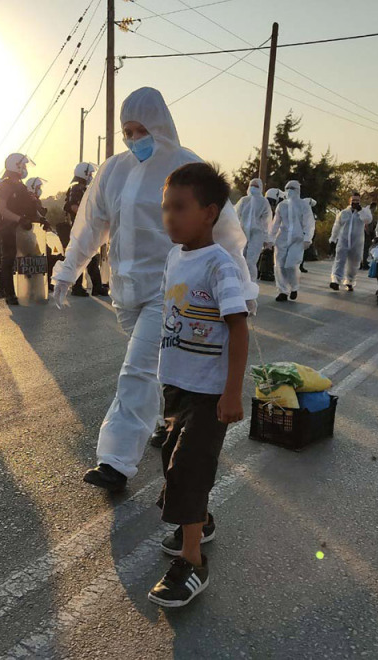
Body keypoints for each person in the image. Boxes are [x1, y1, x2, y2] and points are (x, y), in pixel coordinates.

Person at [51, 87, 256, 492]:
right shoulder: (113, 170)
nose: (134, 138)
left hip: (173, 290)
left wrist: (241, 287)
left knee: (137, 369)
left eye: (141, 129)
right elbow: (92, 225)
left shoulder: (187, 167)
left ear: (160, 125)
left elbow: (226, 232)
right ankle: (175, 421)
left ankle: (115, 460)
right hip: (124, 291)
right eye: (127, 131)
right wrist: (67, 270)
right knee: (163, 367)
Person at [148, 162, 248, 608]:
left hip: (209, 392)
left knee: (188, 469)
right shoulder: (175, 256)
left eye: (179, 208)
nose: (169, 216)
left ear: (209, 213)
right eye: (165, 207)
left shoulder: (220, 266)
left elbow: (239, 329)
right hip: (177, 385)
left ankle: (193, 562)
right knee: (172, 459)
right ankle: (200, 520)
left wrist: (231, 392)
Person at [0, 153, 39, 306]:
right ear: (15, 166)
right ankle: (9, 293)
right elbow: (1, 209)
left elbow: (29, 206)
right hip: (9, 228)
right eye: (23, 166)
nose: (25, 168)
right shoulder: (3, 186)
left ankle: (31, 290)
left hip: (24, 229)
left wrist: (39, 217)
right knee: (8, 259)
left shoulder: (21, 186)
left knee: (31, 258)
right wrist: (19, 219)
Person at [62, 163, 107, 297]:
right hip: (81, 228)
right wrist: (87, 217)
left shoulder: (81, 188)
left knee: (89, 256)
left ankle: (93, 286)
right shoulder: (76, 188)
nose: (91, 176)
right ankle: (82, 287)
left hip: (84, 227)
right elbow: (72, 206)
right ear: (84, 173)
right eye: (90, 174)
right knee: (85, 257)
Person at [268, 180, 314, 302]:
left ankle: (294, 287)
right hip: (282, 239)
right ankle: (282, 291)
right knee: (279, 266)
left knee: (291, 265)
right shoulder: (281, 206)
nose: (289, 191)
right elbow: (275, 224)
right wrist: (270, 239)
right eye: (287, 188)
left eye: (292, 188)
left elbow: (309, 223)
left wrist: (307, 238)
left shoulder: (304, 205)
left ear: (298, 190)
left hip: (297, 240)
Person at [329, 192, 371, 291]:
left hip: (357, 242)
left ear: (360, 201)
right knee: (339, 260)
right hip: (343, 240)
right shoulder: (343, 213)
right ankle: (335, 280)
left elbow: (368, 220)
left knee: (354, 263)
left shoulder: (364, 212)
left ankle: (350, 281)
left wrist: (360, 211)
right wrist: (333, 239)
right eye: (353, 201)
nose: (355, 203)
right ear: (349, 201)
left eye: (357, 201)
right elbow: (336, 226)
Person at [234, 178, 271, 283]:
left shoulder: (264, 202)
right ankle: (240, 284)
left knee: (251, 262)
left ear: (261, 188)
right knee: (240, 259)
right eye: (252, 185)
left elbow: (266, 222)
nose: (253, 188)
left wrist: (267, 238)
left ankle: (250, 285)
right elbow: (235, 215)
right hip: (242, 232)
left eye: (256, 186)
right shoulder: (244, 200)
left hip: (257, 234)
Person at [360, 200, 378, 270]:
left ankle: (362, 263)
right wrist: (368, 233)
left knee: (365, 249)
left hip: (367, 232)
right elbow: (366, 224)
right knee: (365, 248)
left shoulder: (369, 212)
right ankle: (364, 263)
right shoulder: (369, 212)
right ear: (374, 207)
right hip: (366, 233)